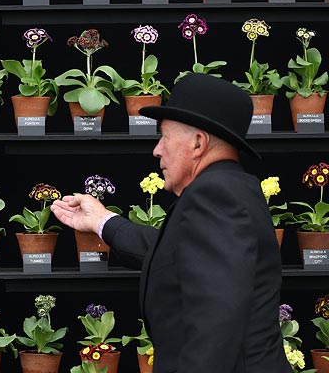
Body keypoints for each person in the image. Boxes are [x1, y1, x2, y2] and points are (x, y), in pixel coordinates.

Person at [51, 73, 291, 373]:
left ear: (198, 143)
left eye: (165, 137)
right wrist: (103, 221)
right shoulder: (231, 189)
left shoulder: (215, 194)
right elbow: (178, 256)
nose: (157, 150)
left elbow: (216, 324)